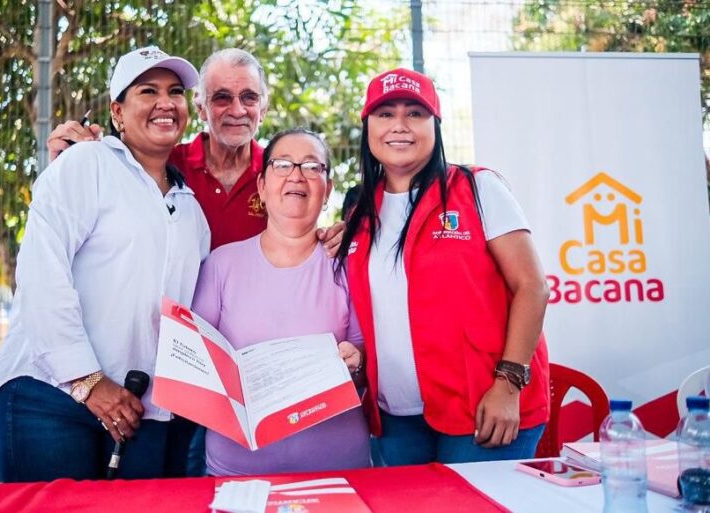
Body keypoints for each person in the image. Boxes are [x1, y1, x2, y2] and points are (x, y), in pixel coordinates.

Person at [0, 47, 211, 482]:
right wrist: (88, 381)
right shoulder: (86, 163)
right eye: (147, 91)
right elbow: (42, 275)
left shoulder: (191, 211)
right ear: (117, 112)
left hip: (139, 412)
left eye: (175, 92)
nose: (165, 102)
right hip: (50, 396)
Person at [335, 68, 551, 465]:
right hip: (395, 417)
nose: (399, 126)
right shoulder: (358, 211)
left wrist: (509, 384)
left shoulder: (478, 187)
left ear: (435, 125)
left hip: (484, 410)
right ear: (368, 127)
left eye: (415, 113)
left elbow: (532, 286)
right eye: (385, 114)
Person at [192, 128, 370, 475]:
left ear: (328, 188)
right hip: (237, 473)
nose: (297, 176)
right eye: (283, 164)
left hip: (338, 470)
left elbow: (365, 365)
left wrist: (357, 361)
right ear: (261, 184)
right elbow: (197, 366)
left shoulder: (350, 263)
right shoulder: (220, 264)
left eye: (312, 167)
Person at [47, 48, 344, 254]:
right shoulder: (164, 167)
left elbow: (305, 238)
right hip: (175, 333)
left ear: (262, 110)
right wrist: (70, 156)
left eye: (249, 98)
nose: (237, 110)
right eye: (222, 98)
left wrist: (338, 237)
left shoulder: (281, 175)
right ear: (201, 108)